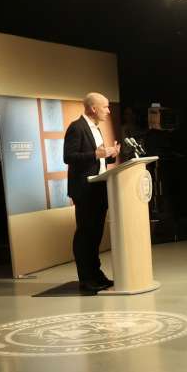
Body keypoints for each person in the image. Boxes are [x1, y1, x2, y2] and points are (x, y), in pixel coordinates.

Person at [64, 92, 119, 292]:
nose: (108, 110)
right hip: (84, 190)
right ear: (93, 108)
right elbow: (68, 157)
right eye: (105, 106)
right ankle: (85, 278)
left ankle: (96, 275)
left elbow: (99, 160)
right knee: (85, 234)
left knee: (95, 235)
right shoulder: (76, 127)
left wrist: (111, 155)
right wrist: (96, 154)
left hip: (99, 189)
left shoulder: (96, 128)